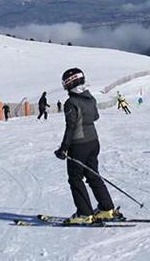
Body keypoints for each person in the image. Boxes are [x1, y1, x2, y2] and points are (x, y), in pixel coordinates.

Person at [54, 68, 122, 224]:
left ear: (69, 83)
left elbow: (71, 127)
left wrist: (63, 148)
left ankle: (85, 214)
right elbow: (95, 116)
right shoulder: (90, 97)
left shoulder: (71, 102)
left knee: (75, 178)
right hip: (93, 142)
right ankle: (106, 209)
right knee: (93, 175)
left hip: (79, 145)